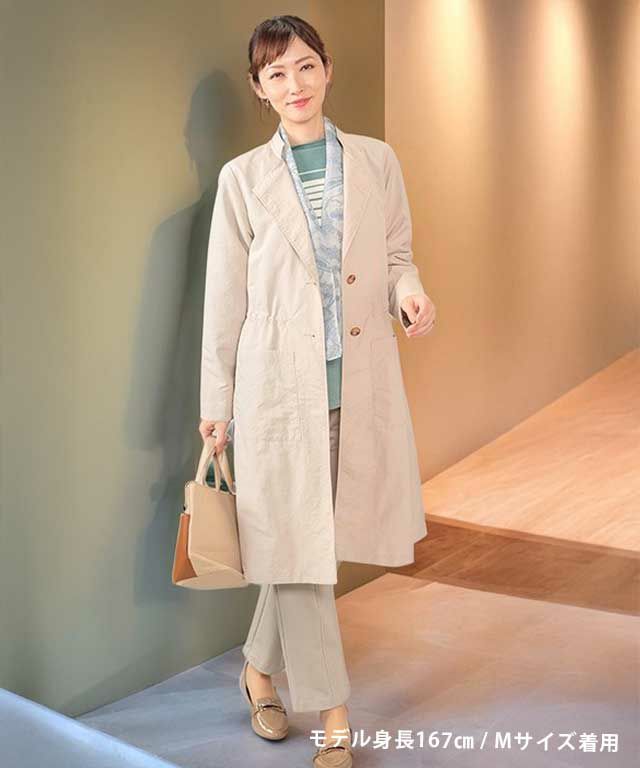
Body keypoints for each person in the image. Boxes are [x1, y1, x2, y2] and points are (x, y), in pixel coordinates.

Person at [198, 14, 436, 768]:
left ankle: (257, 670)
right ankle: (335, 715)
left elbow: (396, 254)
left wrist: (409, 293)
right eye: (276, 74)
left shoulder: (375, 160)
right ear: (259, 89)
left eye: (305, 66)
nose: (294, 84)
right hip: (275, 396)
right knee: (302, 556)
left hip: (357, 390)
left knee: (301, 548)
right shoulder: (242, 179)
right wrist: (216, 406)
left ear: (327, 70)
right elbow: (224, 302)